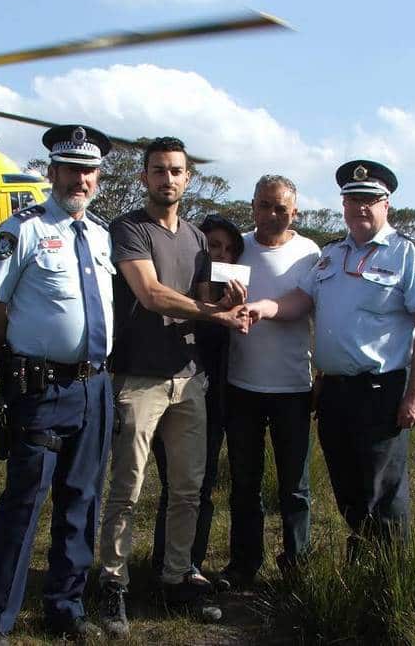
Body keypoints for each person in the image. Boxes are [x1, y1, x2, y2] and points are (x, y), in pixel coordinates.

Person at [246, 160, 415, 556]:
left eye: (369, 200)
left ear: (387, 204)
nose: (360, 208)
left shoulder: (407, 253)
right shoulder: (332, 255)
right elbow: (301, 299)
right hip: (333, 394)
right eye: (352, 200)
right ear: (343, 205)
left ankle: (388, 577)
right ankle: (362, 566)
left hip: (380, 391)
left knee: (381, 491)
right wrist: (263, 308)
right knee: (347, 486)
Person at [97, 137, 248, 638]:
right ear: (144, 178)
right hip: (138, 377)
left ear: (188, 178)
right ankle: (113, 582)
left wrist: (231, 302)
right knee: (128, 487)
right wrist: (213, 312)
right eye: (158, 170)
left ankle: (176, 575)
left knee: (188, 488)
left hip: (189, 380)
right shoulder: (128, 229)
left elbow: (204, 299)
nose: (167, 179)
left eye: (176, 171)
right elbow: (152, 293)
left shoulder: (198, 240)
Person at [0, 125, 115, 645]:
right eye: (71, 167)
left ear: (98, 177)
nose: (81, 178)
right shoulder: (24, 229)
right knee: (24, 502)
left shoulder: (100, 235)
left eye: (89, 169)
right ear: (51, 171)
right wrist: (7, 361)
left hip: (94, 387)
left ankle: (65, 605)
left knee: (82, 499)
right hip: (39, 388)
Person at [221, 175, 321, 587]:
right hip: (241, 384)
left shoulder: (309, 253)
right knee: (244, 483)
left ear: (294, 211)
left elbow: (308, 304)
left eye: (281, 208)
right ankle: (244, 564)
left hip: (293, 388)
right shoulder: (236, 247)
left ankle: (297, 566)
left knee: (294, 487)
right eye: (264, 205)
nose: (272, 214)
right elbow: (215, 301)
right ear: (253, 206)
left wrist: (264, 307)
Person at [149, 213, 245, 586]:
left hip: (216, 401)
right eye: (212, 246)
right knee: (176, 484)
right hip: (174, 392)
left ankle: (190, 563)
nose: (220, 254)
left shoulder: (233, 297)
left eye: (228, 249)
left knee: (201, 486)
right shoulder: (182, 294)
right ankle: (166, 564)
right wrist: (208, 308)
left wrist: (234, 309)